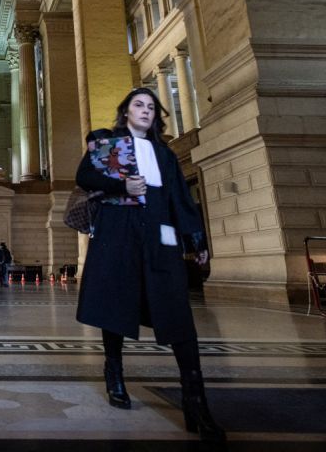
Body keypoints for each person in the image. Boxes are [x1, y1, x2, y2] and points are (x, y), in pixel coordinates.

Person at [75, 87, 223, 441]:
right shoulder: (107, 142)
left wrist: (196, 238)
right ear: (125, 111)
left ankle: (194, 400)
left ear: (156, 116)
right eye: (138, 105)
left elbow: (180, 199)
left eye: (151, 107)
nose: (145, 111)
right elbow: (85, 177)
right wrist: (121, 183)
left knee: (178, 313)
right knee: (115, 305)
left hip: (159, 238)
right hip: (118, 238)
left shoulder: (165, 155)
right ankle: (115, 374)